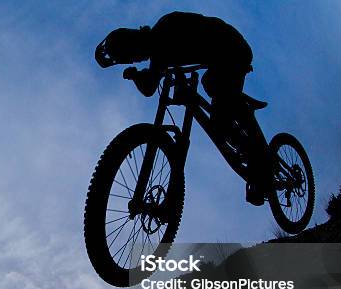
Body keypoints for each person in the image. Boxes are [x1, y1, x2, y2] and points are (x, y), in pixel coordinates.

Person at [95, 11, 267, 206]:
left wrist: (142, 76)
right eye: (133, 59)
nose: (138, 59)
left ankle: (259, 165)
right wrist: (137, 76)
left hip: (233, 49)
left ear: (135, 41)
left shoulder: (166, 28)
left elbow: (151, 83)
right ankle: (241, 122)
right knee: (213, 89)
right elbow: (151, 86)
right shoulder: (160, 52)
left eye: (133, 55)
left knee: (219, 110)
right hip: (219, 58)